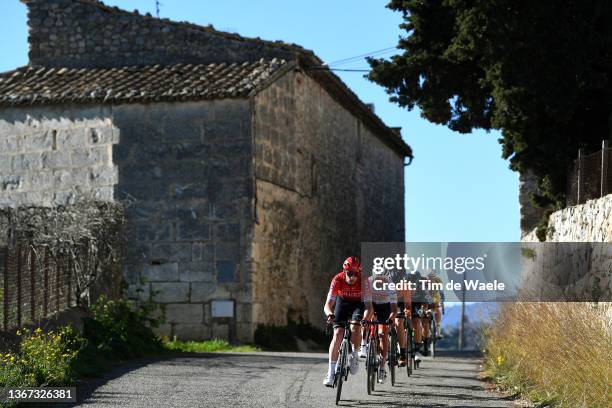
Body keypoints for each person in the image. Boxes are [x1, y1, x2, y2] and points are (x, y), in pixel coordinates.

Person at [323, 256, 373, 387]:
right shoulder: (337, 279)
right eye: (350, 273)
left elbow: (369, 307)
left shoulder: (364, 281)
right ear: (344, 272)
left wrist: (365, 319)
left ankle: (354, 354)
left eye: (356, 274)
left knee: (355, 328)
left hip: (358, 304)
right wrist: (330, 314)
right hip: (342, 302)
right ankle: (330, 372)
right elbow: (328, 304)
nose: (353, 277)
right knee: (338, 334)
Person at [365, 268, 397, 384]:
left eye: (383, 280)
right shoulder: (368, 282)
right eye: (378, 279)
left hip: (385, 306)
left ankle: (383, 367)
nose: (380, 282)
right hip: (372, 304)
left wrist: (390, 319)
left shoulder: (390, 286)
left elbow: (394, 309)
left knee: (383, 333)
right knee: (367, 320)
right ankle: (365, 344)